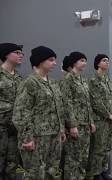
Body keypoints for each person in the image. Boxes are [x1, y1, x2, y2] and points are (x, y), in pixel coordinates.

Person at [12, 46, 66, 180]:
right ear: (40, 61)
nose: (55, 63)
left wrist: (61, 130)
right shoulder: (29, 83)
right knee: (35, 173)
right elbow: (21, 112)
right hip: (37, 137)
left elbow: (58, 108)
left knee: (52, 171)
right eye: (51, 60)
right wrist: (27, 138)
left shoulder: (53, 83)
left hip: (54, 135)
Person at [60, 51, 96, 180]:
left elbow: (87, 103)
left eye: (85, 60)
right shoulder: (67, 79)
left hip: (85, 124)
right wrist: (72, 125)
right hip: (75, 126)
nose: (84, 63)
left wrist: (91, 121)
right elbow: (66, 102)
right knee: (73, 158)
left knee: (83, 157)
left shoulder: (82, 80)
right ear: (74, 62)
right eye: (81, 60)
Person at [87, 54, 112, 180]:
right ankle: (96, 173)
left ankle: (104, 171)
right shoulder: (93, 81)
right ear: (97, 64)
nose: (107, 62)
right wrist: (108, 115)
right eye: (104, 60)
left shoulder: (109, 82)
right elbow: (95, 102)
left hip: (110, 121)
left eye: (108, 61)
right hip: (100, 120)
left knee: (107, 147)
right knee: (98, 148)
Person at [0, 43, 23, 180]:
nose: (21, 55)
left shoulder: (19, 78)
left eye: (21, 53)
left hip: (14, 130)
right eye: (17, 52)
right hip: (1, 127)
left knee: (12, 164)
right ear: (6, 54)